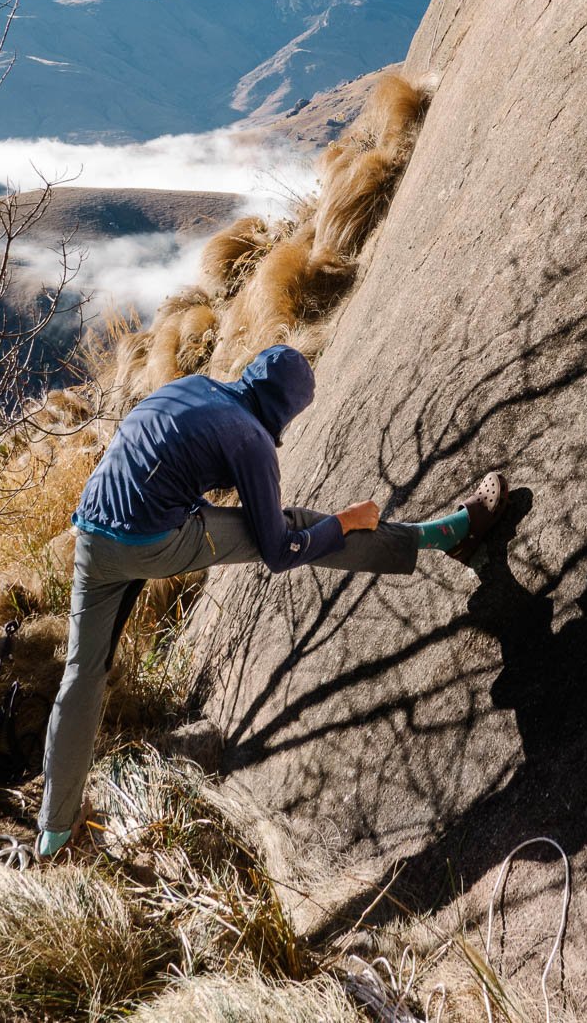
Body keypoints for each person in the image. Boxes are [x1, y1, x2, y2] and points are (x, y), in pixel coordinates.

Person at [37, 344, 509, 856]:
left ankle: (54, 830)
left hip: (93, 534)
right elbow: (281, 552)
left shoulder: (190, 387)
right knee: (306, 527)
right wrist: (344, 522)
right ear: (289, 409)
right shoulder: (251, 439)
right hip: (151, 543)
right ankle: (451, 534)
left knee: (82, 675)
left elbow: (162, 458)